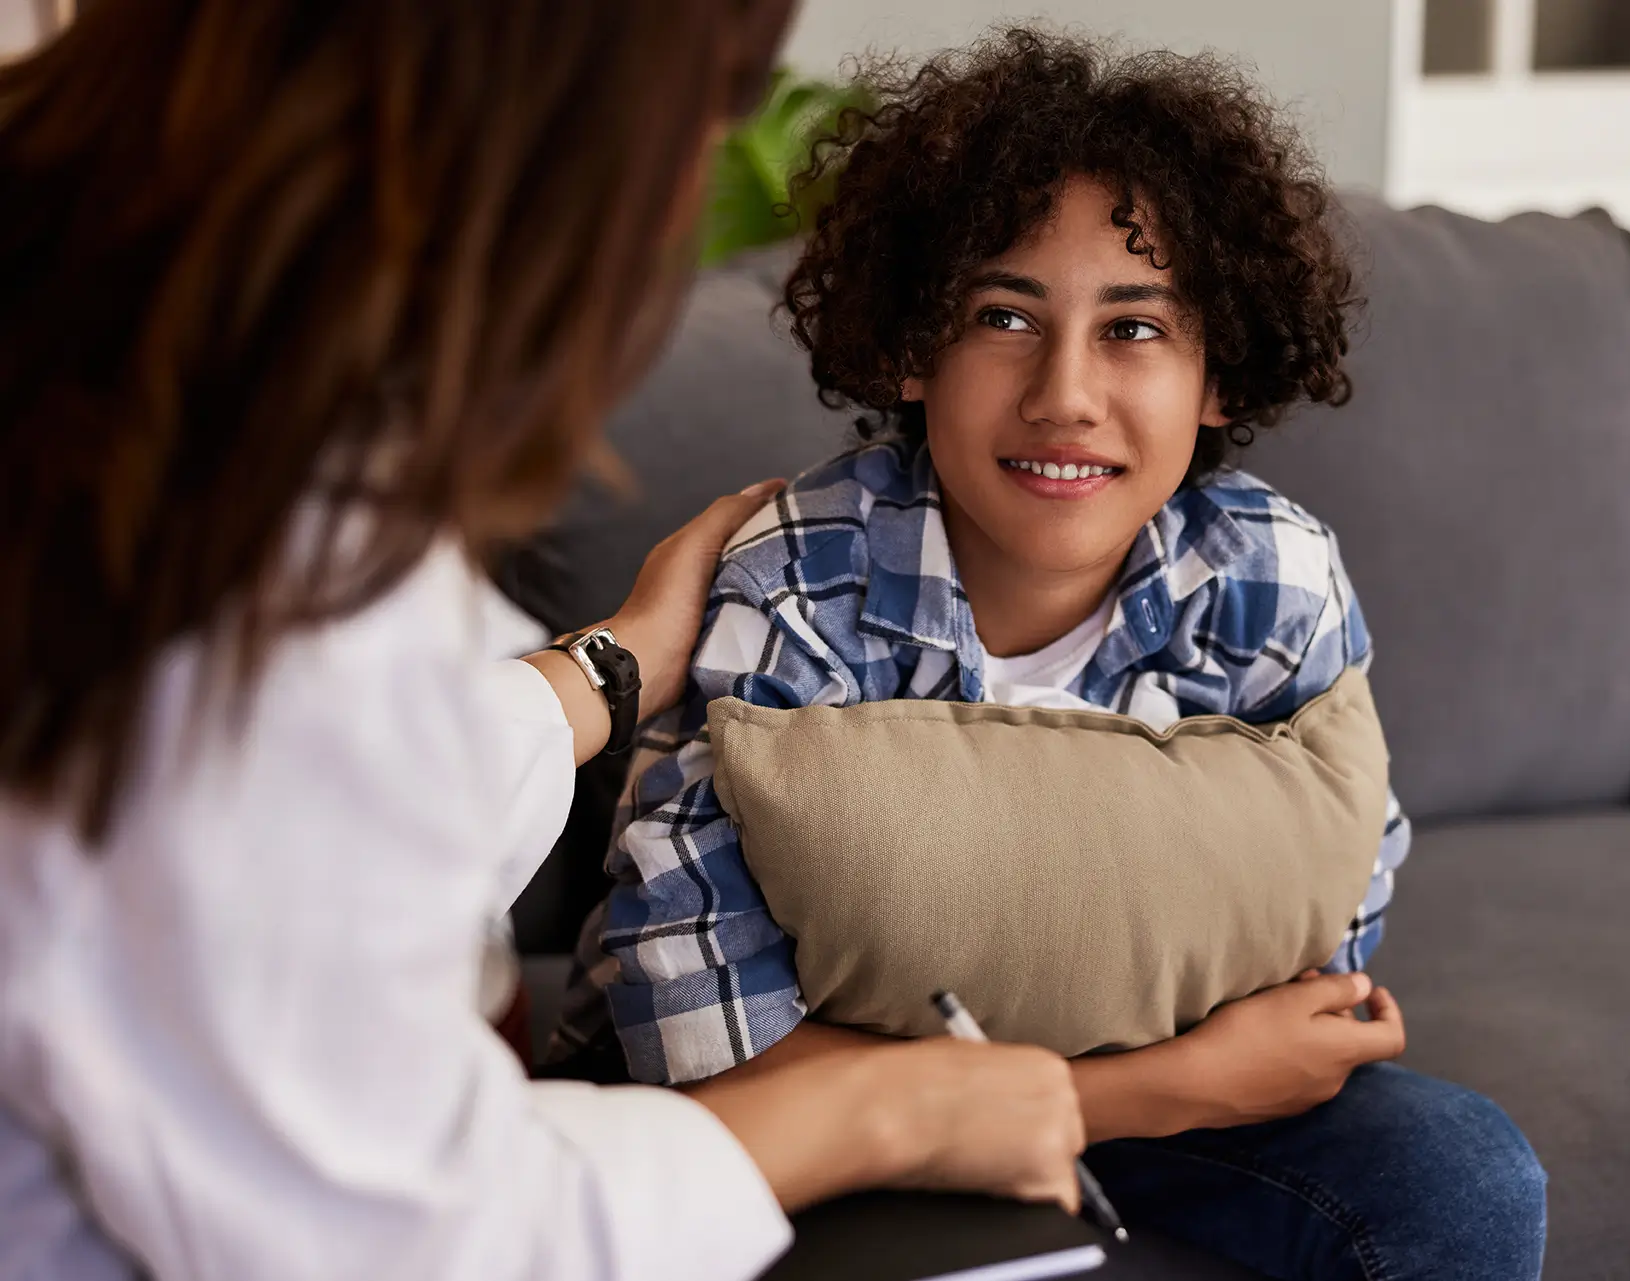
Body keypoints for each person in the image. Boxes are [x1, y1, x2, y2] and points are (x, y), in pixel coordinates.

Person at [0, 5, 1093, 1280]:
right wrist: (872, 1110)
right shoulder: (262, 577)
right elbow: (407, 1238)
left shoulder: (112, 381)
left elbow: (282, 829)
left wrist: (618, 662)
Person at [555, 31, 1548, 1281]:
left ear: (1218, 374)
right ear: (914, 350)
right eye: (1004, 316)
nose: (1065, 392)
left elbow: (1320, 935)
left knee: (1460, 1175)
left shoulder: (1276, 581)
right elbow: (699, 1039)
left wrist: (1172, 1071)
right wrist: (1156, 1088)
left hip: (1143, 1084)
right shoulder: (795, 584)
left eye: (1135, 329)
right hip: (797, 1111)